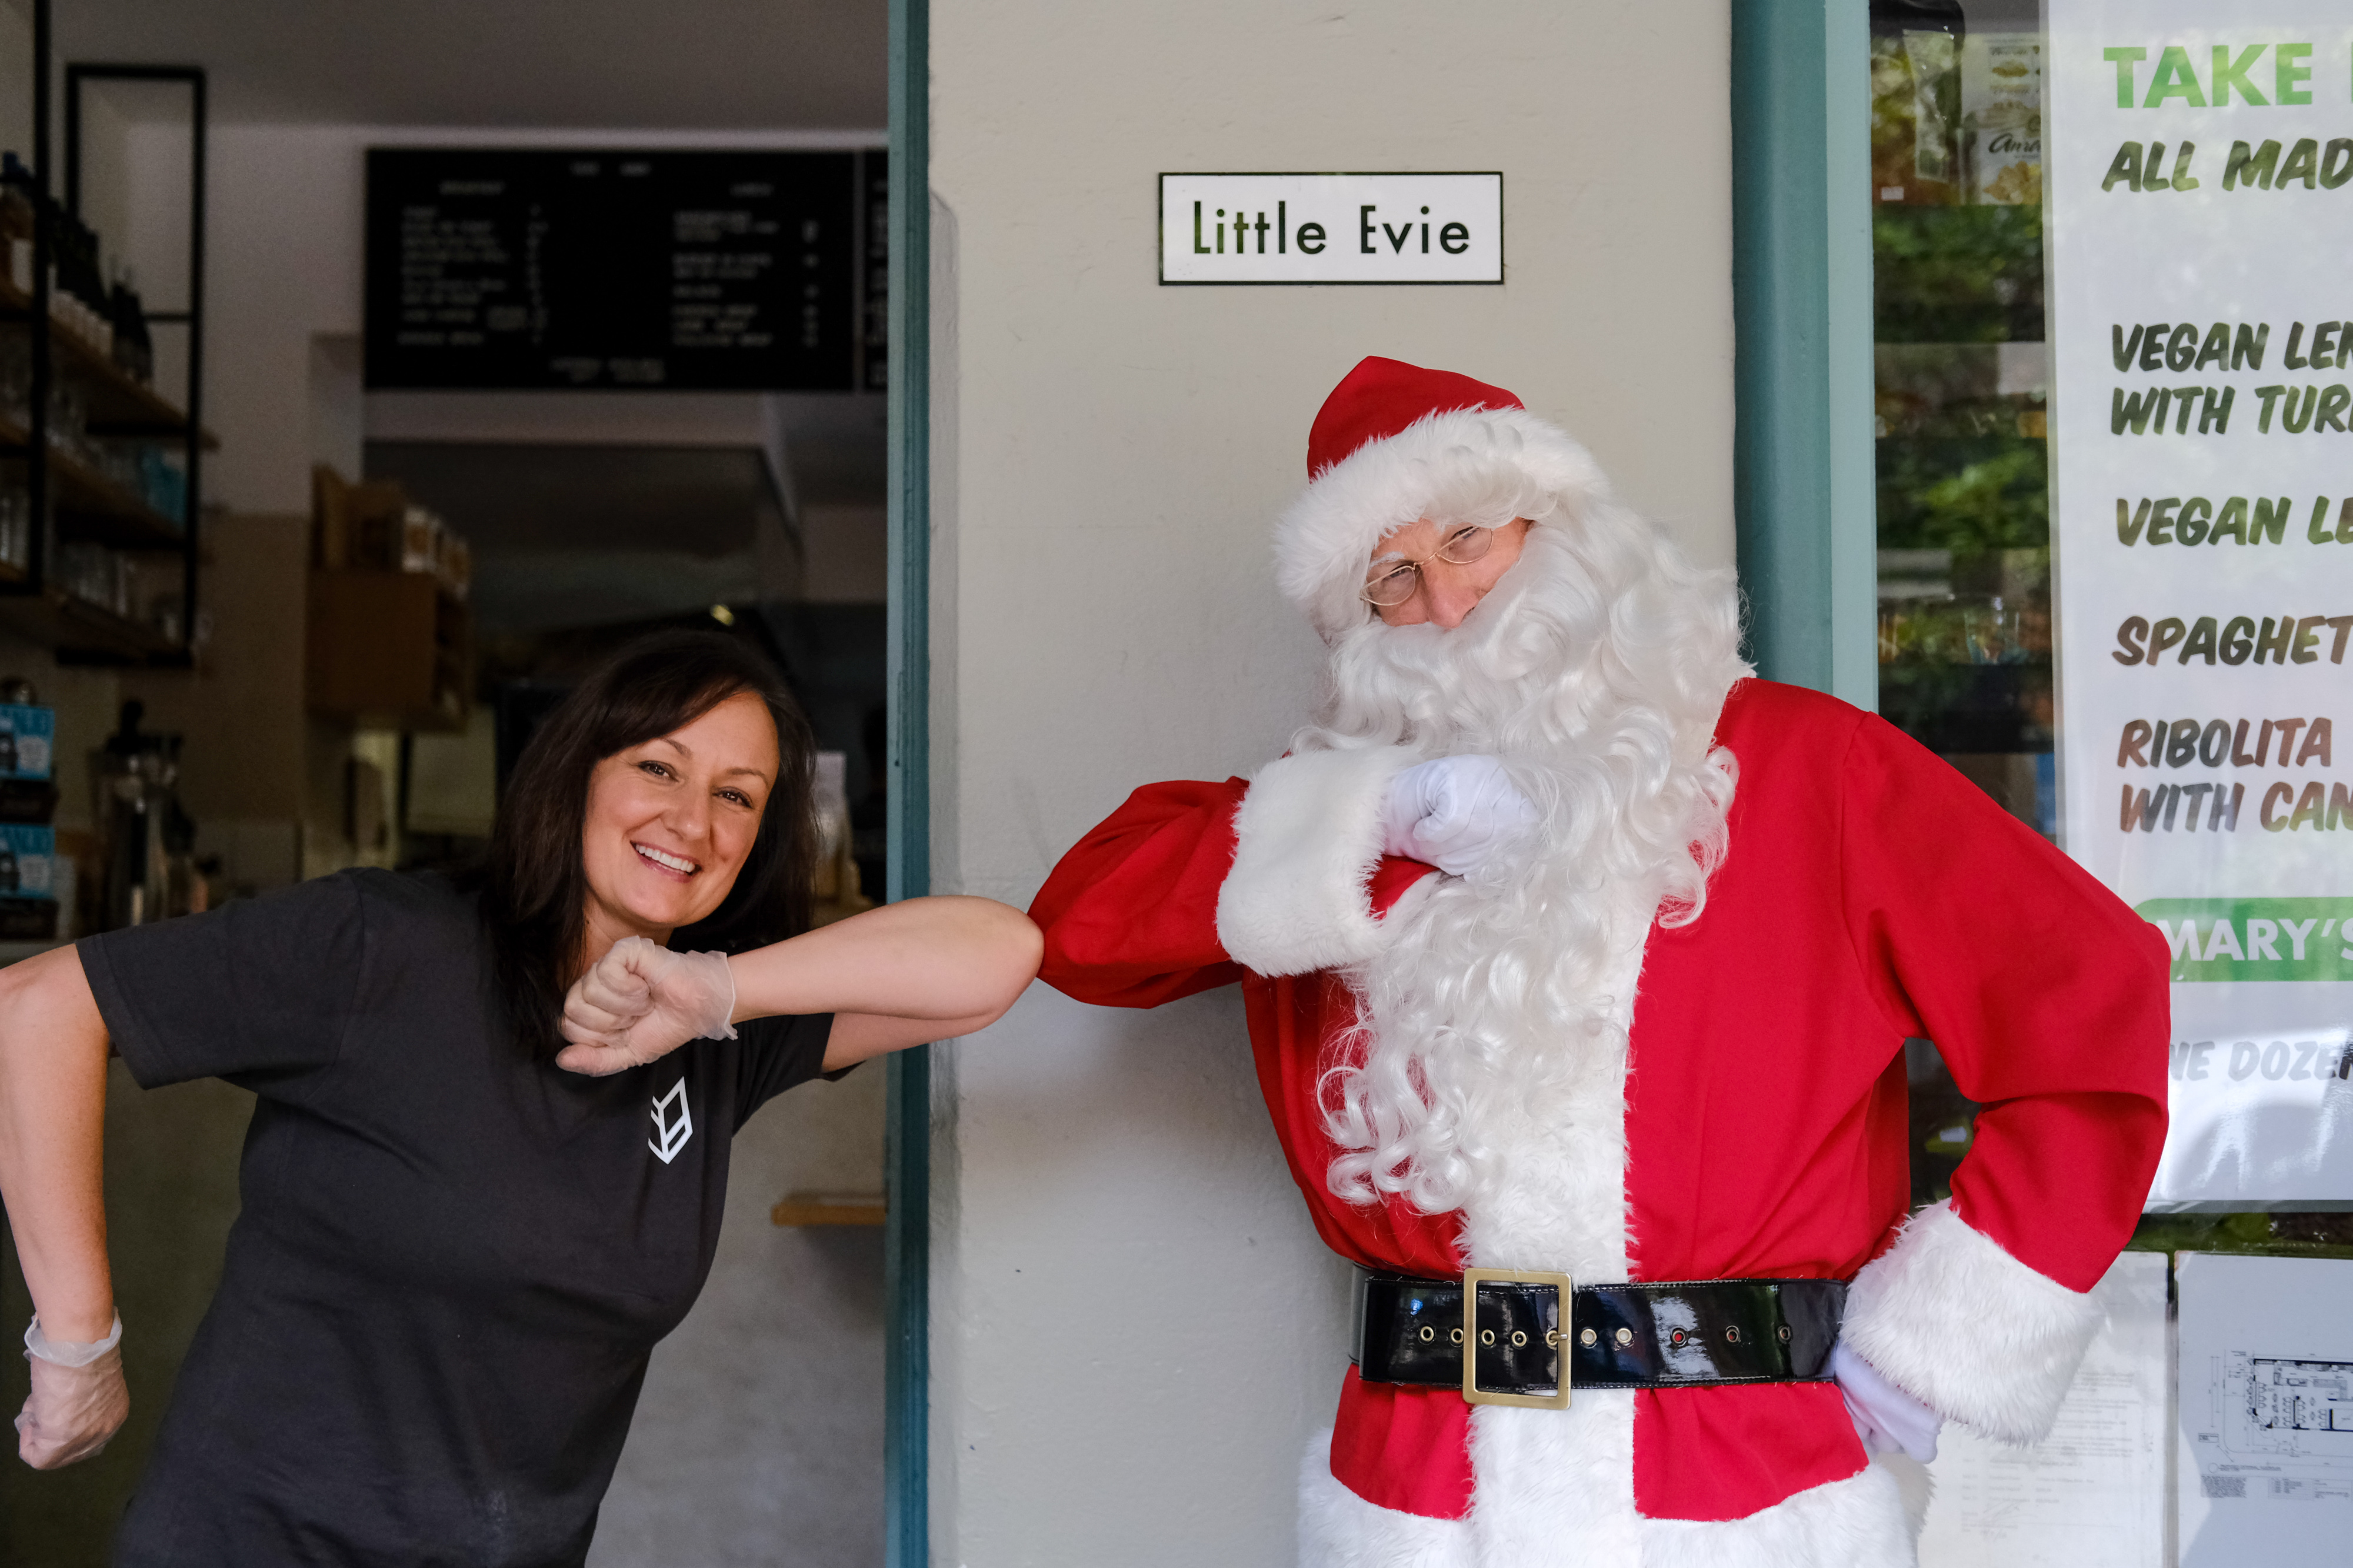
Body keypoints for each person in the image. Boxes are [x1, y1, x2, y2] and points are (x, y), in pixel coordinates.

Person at [1029, 358, 2169, 1565]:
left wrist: (1932, 1345)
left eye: (1469, 538)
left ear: (1565, 532)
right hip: (1420, 1503)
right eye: (1393, 579)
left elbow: (2089, 996)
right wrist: (1388, 807)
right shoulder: (1331, 826)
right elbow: (1079, 929)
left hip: (1743, 1491)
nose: (1451, 600)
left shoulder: (1809, 770)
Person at [0, 629, 1041, 1566]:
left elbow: (1001, 954)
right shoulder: (383, 947)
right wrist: (75, 1342)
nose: (692, 819)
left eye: (737, 794)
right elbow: (38, 1008)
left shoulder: (717, 1034)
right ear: (578, 773)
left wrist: (721, 987)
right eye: (658, 766)